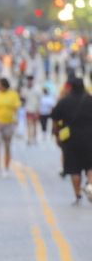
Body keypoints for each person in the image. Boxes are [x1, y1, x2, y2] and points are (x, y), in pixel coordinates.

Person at [51, 77, 92, 205]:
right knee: (90, 166)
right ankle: (90, 187)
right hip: (90, 138)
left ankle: (77, 195)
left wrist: (56, 134)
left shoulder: (64, 101)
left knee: (74, 169)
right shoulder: (90, 100)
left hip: (70, 139)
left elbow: (55, 118)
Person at [0, 77, 21, 177]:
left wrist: (15, 120)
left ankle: (6, 168)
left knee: (7, 146)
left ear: (3, 85)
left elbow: (16, 107)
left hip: (9, 122)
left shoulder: (13, 94)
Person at [21, 75, 41, 145]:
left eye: (30, 80)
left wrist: (38, 110)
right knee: (29, 124)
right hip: (28, 109)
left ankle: (34, 138)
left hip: (35, 109)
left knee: (35, 125)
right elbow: (23, 99)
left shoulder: (37, 89)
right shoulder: (24, 89)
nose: (29, 82)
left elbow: (39, 100)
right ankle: (29, 138)